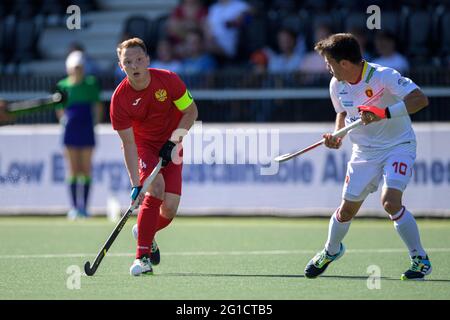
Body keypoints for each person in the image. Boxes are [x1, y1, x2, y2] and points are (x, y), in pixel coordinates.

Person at [303, 33, 431, 280]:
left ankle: (420, 259)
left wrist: (382, 113)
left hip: (398, 145)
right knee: (346, 211)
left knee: (390, 202)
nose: (327, 68)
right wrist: (336, 136)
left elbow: (420, 100)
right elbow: (342, 114)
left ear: (344, 63)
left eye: (329, 62)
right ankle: (331, 251)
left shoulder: (383, 75)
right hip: (364, 152)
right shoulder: (336, 85)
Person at [110, 37, 198, 276]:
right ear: (121, 66)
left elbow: (191, 111)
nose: (135, 65)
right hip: (143, 147)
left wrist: (174, 141)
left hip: (173, 143)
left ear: (147, 60)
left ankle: (144, 230)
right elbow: (128, 144)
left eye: (139, 59)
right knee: (155, 188)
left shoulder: (168, 80)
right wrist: (135, 184)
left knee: (169, 209)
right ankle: (142, 258)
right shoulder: (119, 100)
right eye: (128, 62)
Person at [55, 50, 103, 219]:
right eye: (75, 67)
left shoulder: (90, 83)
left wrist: (95, 123)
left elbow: (97, 105)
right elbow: (59, 108)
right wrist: (63, 121)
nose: (77, 71)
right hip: (71, 129)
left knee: (86, 168)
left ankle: (85, 207)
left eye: (80, 67)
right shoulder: (63, 85)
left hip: (86, 127)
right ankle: (75, 207)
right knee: (73, 169)